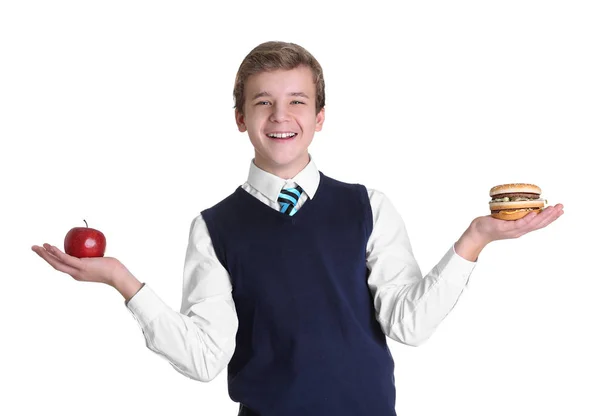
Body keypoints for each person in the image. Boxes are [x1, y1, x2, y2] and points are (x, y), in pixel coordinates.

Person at [31, 41, 564, 416]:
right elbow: (203, 360)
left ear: (320, 116)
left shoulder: (368, 207)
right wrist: (122, 279)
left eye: (297, 101)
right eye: (263, 102)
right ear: (240, 117)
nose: (280, 115)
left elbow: (409, 324)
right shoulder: (213, 228)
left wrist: (475, 239)